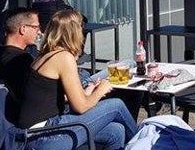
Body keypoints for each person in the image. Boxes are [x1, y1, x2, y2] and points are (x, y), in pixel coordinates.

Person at [17, 10, 137, 150]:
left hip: (35, 134)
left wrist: (90, 90)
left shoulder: (46, 55)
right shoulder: (63, 58)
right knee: (116, 105)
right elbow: (80, 107)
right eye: (80, 28)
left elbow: (61, 98)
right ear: (74, 32)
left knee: (116, 131)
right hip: (44, 136)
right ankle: (147, 144)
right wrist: (101, 91)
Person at [0, 7, 41, 123]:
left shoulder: (2, 55)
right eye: (36, 27)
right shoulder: (20, 60)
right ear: (23, 29)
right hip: (34, 121)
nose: (39, 32)